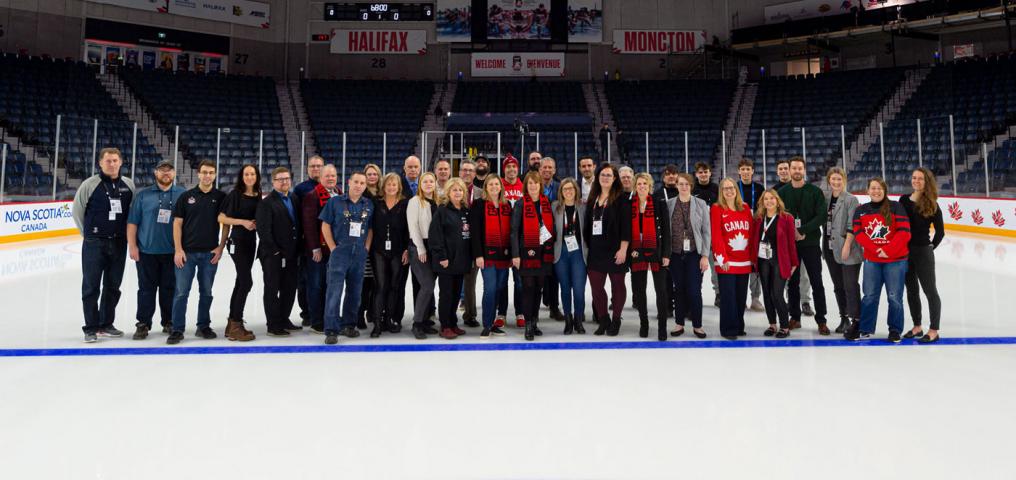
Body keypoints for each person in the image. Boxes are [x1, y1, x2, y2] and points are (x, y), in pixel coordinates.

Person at [73, 147, 136, 344]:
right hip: (94, 243)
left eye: (115, 160)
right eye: (108, 161)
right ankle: (91, 328)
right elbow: (78, 212)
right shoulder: (89, 185)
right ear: (100, 163)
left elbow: (132, 213)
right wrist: (90, 235)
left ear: (121, 162)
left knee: (113, 286)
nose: (112, 164)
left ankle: (106, 323)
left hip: (119, 242)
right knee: (91, 286)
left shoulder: (129, 185)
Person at [845, 178, 911, 343]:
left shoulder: (897, 207)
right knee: (869, 296)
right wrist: (876, 250)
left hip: (896, 260)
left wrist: (887, 250)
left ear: (884, 190)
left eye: (879, 188)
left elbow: (904, 232)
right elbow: (859, 234)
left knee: (894, 296)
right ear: (867, 191)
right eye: (873, 188)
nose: (876, 191)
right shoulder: (861, 210)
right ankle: (865, 329)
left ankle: (895, 330)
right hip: (872, 260)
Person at [169, 160, 227, 344]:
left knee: (207, 292)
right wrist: (178, 250)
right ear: (198, 174)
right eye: (204, 172)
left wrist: (221, 246)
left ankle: (203, 326)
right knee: (181, 293)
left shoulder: (220, 197)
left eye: (211, 172)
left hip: (209, 254)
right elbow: (177, 224)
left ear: (215, 175)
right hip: (187, 254)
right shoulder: (186, 197)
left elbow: (225, 223)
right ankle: (177, 329)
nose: (208, 175)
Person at [126, 160, 181, 340]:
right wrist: (132, 246)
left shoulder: (183, 194)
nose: (166, 173)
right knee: (146, 289)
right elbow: (133, 223)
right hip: (146, 252)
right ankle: (143, 323)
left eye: (169, 170)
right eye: (162, 170)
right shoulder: (143, 196)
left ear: (174, 173)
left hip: (172, 253)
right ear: (155, 173)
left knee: (169, 289)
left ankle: (169, 321)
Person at [320, 171, 375, 345]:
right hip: (340, 253)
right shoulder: (335, 202)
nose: (359, 185)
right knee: (334, 292)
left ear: (365, 186)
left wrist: (366, 247)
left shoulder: (368, 204)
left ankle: (349, 325)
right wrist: (333, 248)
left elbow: (371, 229)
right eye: (356, 181)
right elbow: (325, 225)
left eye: (362, 183)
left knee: (355, 292)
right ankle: (331, 329)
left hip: (359, 254)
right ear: (349, 182)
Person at [778, 157, 830, 334]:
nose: (797, 171)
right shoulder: (783, 192)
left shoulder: (815, 192)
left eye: (800, 168)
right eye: (794, 168)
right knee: (792, 282)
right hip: (790, 245)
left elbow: (821, 216)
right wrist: (792, 232)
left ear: (804, 170)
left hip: (811, 243)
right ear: (790, 170)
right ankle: (795, 317)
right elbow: (779, 216)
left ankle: (821, 319)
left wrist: (804, 230)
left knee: (817, 282)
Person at [584, 163, 631, 336]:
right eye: (602, 175)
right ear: (598, 177)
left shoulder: (621, 199)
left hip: (616, 250)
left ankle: (616, 319)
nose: (605, 178)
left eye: (609, 175)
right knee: (596, 287)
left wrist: (623, 249)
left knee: (617, 285)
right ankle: (604, 320)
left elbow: (627, 226)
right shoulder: (593, 198)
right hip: (596, 251)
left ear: (614, 178)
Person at [256, 167, 303, 337]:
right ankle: (273, 324)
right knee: (272, 288)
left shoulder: (294, 198)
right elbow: (263, 231)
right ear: (273, 182)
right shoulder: (266, 203)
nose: (284, 181)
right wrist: (276, 252)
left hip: (291, 254)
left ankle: (284, 318)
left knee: (289, 288)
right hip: (272, 255)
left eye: (287, 178)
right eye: (280, 179)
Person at [217, 164, 261, 341]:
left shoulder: (258, 196)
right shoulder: (235, 194)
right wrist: (242, 222)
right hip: (237, 242)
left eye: (252, 174)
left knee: (240, 282)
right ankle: (236, 323)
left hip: (251, 243)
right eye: (246, 174)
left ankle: (231, 324)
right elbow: (221, 218)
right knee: (246, 282)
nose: (249, 177)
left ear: (256, 176)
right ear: (241, 177)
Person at [900, 167, 944, 343]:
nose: (916, 181)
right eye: (914, 178)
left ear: (927, 182)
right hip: (905, 251)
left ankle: (934, 330)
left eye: (920, 179)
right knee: (911, 291)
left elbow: (940, 233)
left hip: (923, 252)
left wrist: (928, 249)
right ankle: (917, 326)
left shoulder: (931, 204)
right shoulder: (903, 200)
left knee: (930, 291)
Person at [511, 172, 556, 341]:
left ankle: (535, 320)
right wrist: (515, 254)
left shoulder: (547, 202)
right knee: (528, 287)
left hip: (544, 253)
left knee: (538, 288)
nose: (533, 186)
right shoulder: (520, 204)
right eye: (530, 183)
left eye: (536, 183)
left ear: (540, 185)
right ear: (526, 185)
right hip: (526, 253)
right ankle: (528, 323)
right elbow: (514, 231)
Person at [666, 173, 711, 339]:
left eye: (687, 184)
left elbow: (706, 232)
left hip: (694, 254)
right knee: (679, 290)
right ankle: (679, 324)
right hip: (675, 254)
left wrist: (705, 255)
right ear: (676, 185)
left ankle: (698, 325)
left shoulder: (701, 204)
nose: (684, 187)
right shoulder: (669, 204)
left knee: (694, 290)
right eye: (680, 184)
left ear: (691, 186)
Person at [750, 189, 798, 339]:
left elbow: (791, 242)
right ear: (762, 202)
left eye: (772, 198)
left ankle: (784, 326)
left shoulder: (786, 218)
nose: (769, 201)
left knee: (777, 293)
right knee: (767, 293)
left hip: (779, 260)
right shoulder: (758, 218)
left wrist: (794, 263)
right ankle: (772, 324)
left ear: (777, 201)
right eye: (766, 199)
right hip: (763, 260)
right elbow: (754, 240)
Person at [629, 173, 671, 341]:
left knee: (661, 291)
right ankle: (644, 324)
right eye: (638, 183)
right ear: (634, 186)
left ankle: (662, 327)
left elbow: (666, 231)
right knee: (639, 291)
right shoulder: (629, 204)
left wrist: (666, 254)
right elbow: (626, 229)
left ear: (650, 185)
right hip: (636, 251)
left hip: (656, 251)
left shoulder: (659, 203)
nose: (641, 186)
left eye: (644, 183)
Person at [430, 178, 474, 339]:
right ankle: (445, 325)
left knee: (456, 294)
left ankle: (453, 322)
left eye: (460, 190)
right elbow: (435, 236)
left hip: (461, 261)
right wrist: (442, 256)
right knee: (447, 294)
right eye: (454, 190)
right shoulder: (442, 210)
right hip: (446, 261)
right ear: (448, 192)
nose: (458, 193)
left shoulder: (465, 210)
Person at [301, 164, 342, 335]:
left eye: (333, 175)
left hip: (335, 248)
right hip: (319, 250)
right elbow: (309, 225)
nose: (331, 178)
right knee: (316, 284)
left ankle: (329, 316)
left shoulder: (340, 194)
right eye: (327, 176)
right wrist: (315, 248)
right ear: (321, 177)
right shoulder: (313, 196)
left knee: (331, 285)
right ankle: (317, 320)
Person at [471, 174, 513, 338]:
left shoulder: (507, 204)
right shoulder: (479, 204)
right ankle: (487, 325)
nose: (495, 187)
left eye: (497, 184)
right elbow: (475, 232)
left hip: (504, 255)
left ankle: (494, 322)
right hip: (486, 255)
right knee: (489, 288)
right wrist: (478, 255)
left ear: (501, 187)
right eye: (491, 184)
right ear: (486, 187)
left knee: (499, 288)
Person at [711, 178, 753, 340]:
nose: (729, 191)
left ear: (736, 190)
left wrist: (752, 259)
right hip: (727, 261)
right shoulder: (716, 209)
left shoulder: (745, 208)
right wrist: (722, 259)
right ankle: (728, 329)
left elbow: (750, 234)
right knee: (728, 297)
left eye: (732, 188)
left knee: (741, 297)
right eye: (725, 188)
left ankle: (738, 326)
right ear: (721, 192)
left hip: (744, 261)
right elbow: (717, 235)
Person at [369, 173, 410, 338]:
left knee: (394, 287)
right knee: (380, 286)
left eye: (394, 185)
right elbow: (370, 226)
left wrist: (408, 248)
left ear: (399, 187)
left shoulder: (405, 204)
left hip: (398, 250)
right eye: (389, 184)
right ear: (383, 186)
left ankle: (389, 319)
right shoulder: (375, 203)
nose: (391, 187)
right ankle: (377, 323)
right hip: (378, 249)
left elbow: (409, 228)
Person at [823, 167, 862, 334]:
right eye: (833, 179)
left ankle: (856, 319)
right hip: (830, 247)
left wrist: (846, 245)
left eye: (839, 179)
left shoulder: (851, 200)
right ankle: (844, 317)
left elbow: (852, 225)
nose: (836, 182)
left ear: (844, 180)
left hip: (848, 249)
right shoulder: (825, 198)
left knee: (850, 285)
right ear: (829, 180)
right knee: (838, 285)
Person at [775, 158, 814, 317]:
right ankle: (790, 301)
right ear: (778, 172)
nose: (784, 171)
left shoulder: (806, 189)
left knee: (803, 272)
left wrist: (803, 231)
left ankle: (805, 301)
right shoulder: (775, 192)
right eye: (782, 169)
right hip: (785, 239)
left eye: (786, 168)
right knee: (787, 271)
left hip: (803, 238)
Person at [293, 155, 326, 326]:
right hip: (307, 244)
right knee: (305, 280)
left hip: (326, 244)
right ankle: (307, 313)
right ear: (307, 169)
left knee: (321, 280)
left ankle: (321, 312)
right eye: (312, 166)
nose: (316, 169)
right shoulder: (301, 189)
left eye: (319, 166)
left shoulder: (331, 188)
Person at [407, 172, 440, 339]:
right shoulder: (415, 202)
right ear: (420, 184)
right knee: (427, 285)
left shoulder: (437, 202)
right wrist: (421, 249)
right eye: (425, 181)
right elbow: (413, 227)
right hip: (419, 247)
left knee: (429, 286)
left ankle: (426, 320)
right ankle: (417, 323)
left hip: (434, 248)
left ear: (435, 184)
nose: (428, 184)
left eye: (431, 181)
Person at [552, 178, 587, 335]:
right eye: (565, 189)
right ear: (561, 191)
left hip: (579, 251)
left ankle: (579, 320)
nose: (568, 191)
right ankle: (568, 320)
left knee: (579, 289)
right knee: (565, 288)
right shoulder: (555, 207)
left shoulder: (584, 207)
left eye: (571, 188)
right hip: (561, 251)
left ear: (576, 190)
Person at [735, 159, 765, 312]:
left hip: (755, 231)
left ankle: (755, 298)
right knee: (739, 265)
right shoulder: (733, 188)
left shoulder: (759, 188)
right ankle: (739, 298)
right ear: (739, 171)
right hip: (737, 230)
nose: (746, 172)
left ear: (753, 171)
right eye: (743, 169)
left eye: (748, 169)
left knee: (755, 265)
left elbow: (764, 208)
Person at [500, 154, 526, 326]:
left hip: (519, 240)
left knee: (520, 281)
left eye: (513, 167)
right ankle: (501, 313)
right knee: (502, 281)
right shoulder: (498, 185)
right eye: (508, 167)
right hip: (501, 239)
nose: (511, 169)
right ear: (504, 169)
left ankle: (520, 312)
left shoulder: (524, 186)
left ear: (518, 169)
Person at [538, 157, 564, 321]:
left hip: (555, 236)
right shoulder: (533, 186)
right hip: (536, 236)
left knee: (554, 275)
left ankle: (554, 307)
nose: (547, 170)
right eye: (544, 167)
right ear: (539, 169)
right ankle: (533, 309)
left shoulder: (559, 187)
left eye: (550, 168)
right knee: (536, 274)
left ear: (554, 170)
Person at [692, 162, 720, 305]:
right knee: (697, 267)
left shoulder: (716, 188)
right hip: (698, 234)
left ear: (710, 173)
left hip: (714, 232)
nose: (703, 174)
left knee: (716, 266)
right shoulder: (692, 188)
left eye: (706, 172)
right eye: (700, 172)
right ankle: (695, 294)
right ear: (696, 174)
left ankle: (718, 294)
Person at [359, 163, 383, 329]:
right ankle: (359, 314)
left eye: (375, 174)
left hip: (379, 245)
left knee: (377, 282)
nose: (372, 177)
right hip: (365, 243)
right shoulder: (362, 195)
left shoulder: (382, 194)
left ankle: (372, 312)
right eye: (369, 174)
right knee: (364, 282)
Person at [457, 158, 480, 326]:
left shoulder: (481, 193)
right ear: (459, 172)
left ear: (475, 173)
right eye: (464, 170)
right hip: (455, 243)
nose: (467, 173)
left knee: (470, 282)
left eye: (470, 170)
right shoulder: (452, 191)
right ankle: (448, 316)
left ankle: (470, 315)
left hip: (474, 244)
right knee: (451, 282)